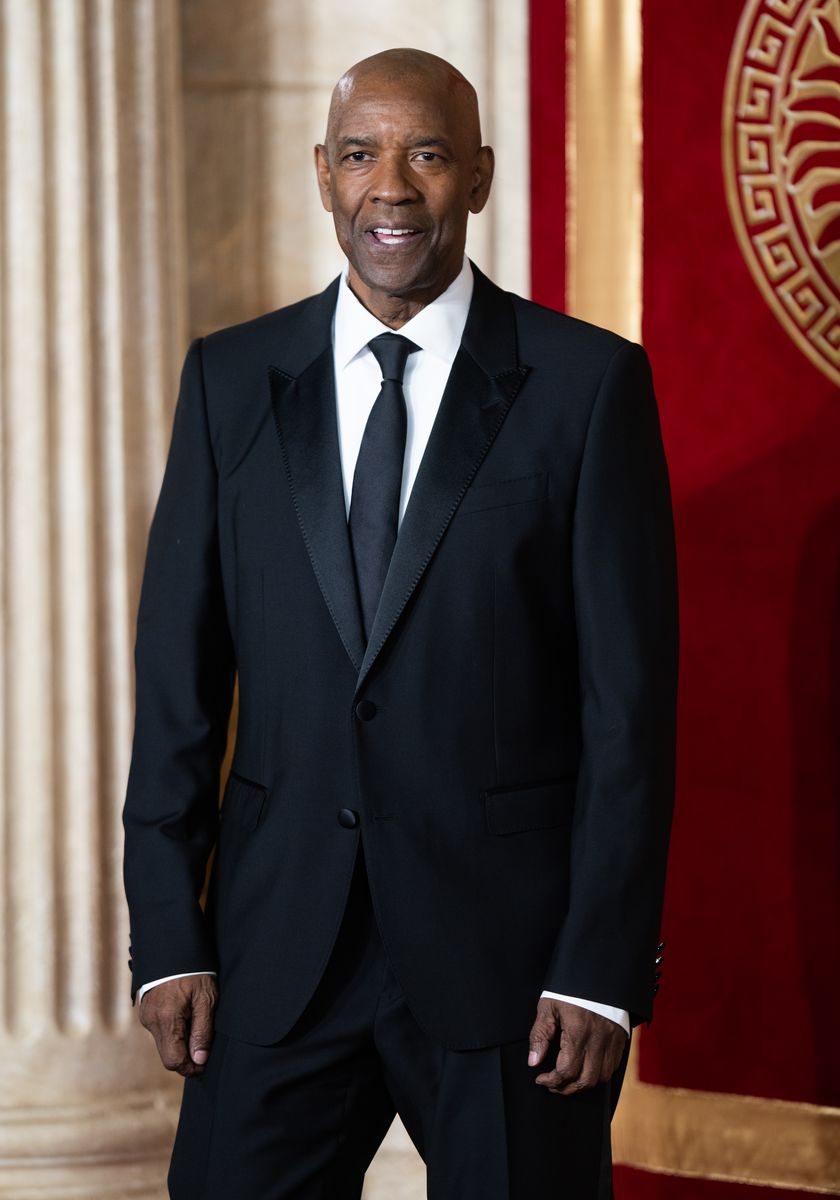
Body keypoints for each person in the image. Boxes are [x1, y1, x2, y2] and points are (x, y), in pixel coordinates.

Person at [122, 47, 678, 1199]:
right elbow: (177, 683)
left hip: (514, 973)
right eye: (363, 154)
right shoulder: (231, 382)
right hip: (278, 954)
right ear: (322, 175)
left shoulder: (585, 388)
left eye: (425, 153)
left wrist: (599, 969)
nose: (392, 186)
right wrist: (169, 931)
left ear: (477, 176)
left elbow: (629, 711)